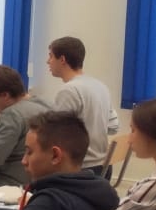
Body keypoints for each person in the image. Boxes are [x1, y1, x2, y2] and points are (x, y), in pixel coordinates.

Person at [47, 36, 119, 172]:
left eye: (50, 56)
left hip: (80, 169)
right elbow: (114, 127)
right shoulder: (100, 86)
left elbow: (57, 134)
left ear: (62, 59)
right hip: (104, 168)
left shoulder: (69, 91)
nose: (47, 61)